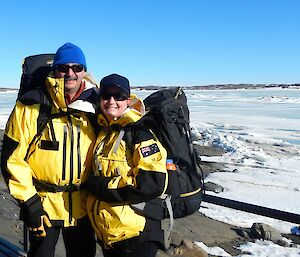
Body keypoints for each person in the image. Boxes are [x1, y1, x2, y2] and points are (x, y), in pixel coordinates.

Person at [1, 42, 97, 257]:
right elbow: (12, 160)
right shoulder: (30, 106)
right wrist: (30, 204)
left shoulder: (95, 106)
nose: (70, 73)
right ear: (55, 70)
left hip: (83, 207)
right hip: (43, 206)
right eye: (64, 68)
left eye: (77, 67)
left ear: (85, 72)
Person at [83, 73, 168, 257]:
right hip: (112, 233)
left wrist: (102, 186)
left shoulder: (139, 132)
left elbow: (152, 182)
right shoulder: (105, 131)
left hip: (135, 234)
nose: (112, 101)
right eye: (107, 95)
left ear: (128, 100)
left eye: (119, 96)